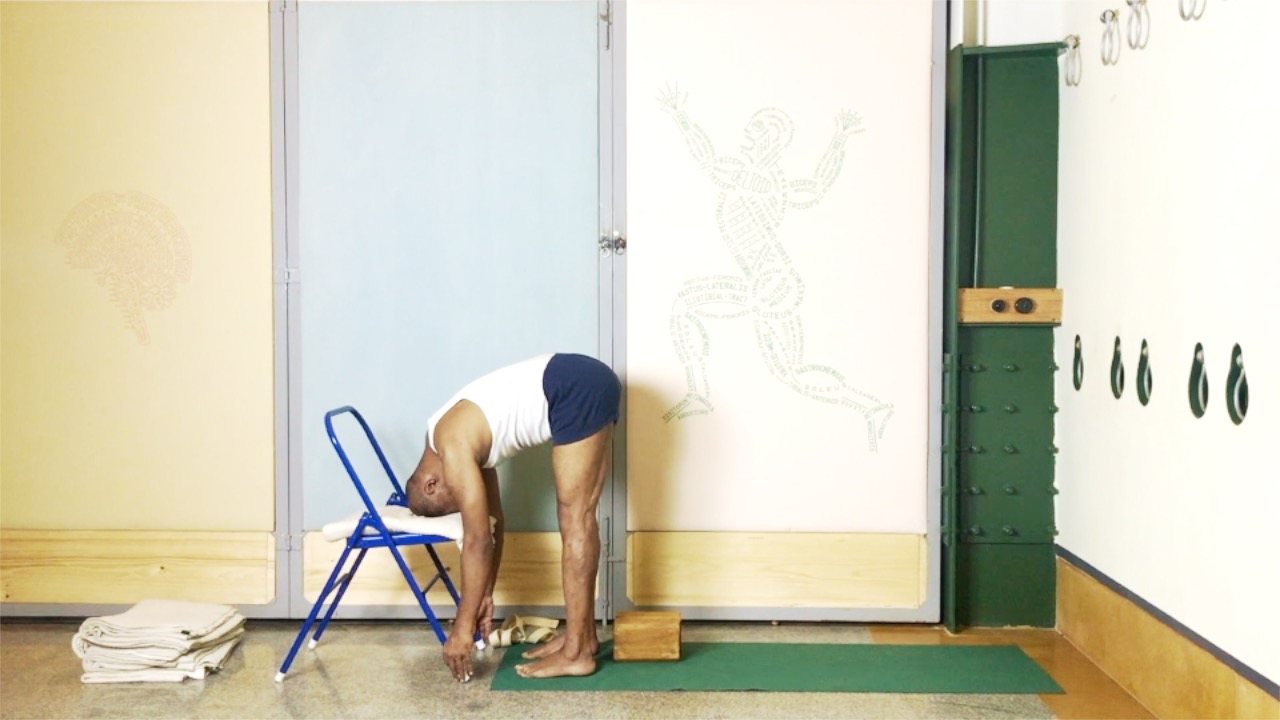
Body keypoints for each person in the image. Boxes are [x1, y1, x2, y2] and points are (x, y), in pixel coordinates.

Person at [405, 353, 620, 682]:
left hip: (574, 385)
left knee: (576, 518)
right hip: (579, 378)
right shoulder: (452, 433)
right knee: (578, 517)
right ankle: (583, 638)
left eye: (454, 502)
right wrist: (484, 593)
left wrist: (462, 629)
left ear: (431, 485)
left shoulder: (452, 446)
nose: (464, 501)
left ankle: (576, 655)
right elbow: (494, 526)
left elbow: (477, 540)